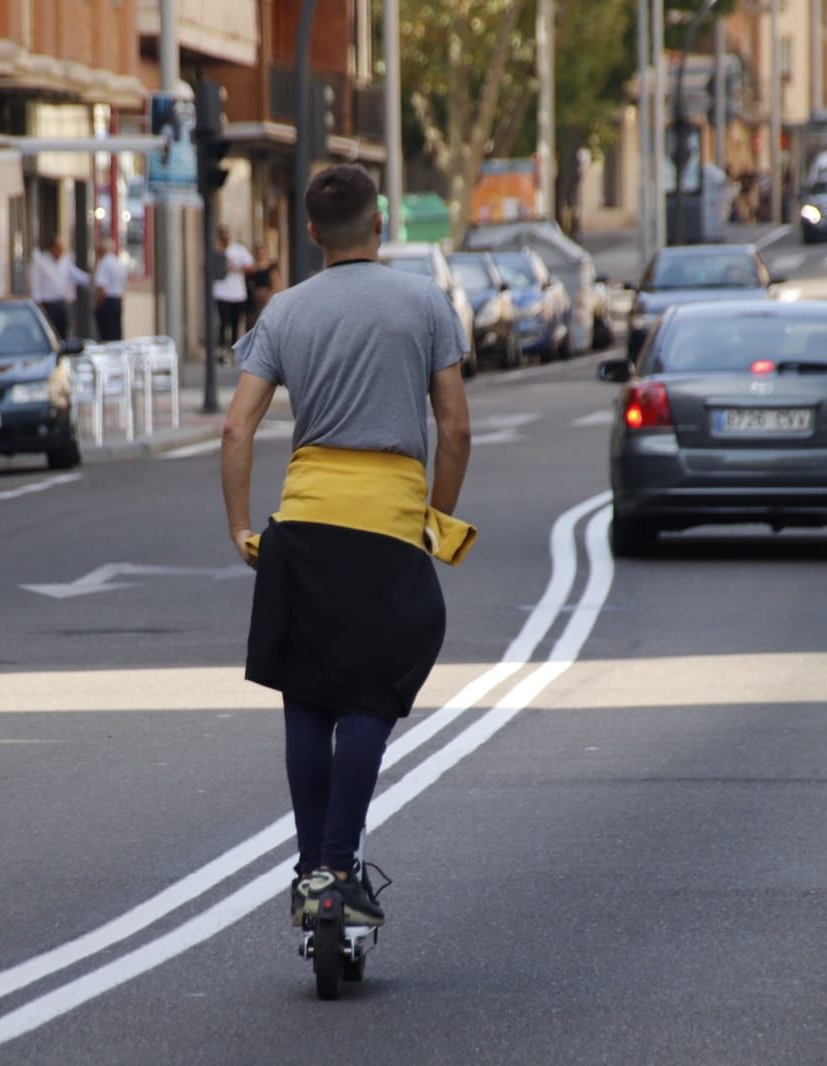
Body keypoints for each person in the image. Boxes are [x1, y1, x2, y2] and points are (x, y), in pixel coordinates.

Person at [220, 164, 474, 929]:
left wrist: (241, 527)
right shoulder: (424, 302)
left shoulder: (284, 310)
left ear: (310, 233)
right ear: (379, 224)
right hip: (387, 526)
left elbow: (236, 428)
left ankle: (311, 875)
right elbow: (455, 428)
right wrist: (435, 520)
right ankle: (337, 867)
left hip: (302, 525)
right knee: (373, 692)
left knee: (306, 697)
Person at [30, 235, 89, 339]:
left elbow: (76, 274)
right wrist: (38, 303)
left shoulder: (64, 261)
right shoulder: (41, 261)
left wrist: (92, 279)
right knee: (50, 332)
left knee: (63, 330)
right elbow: (36, 284)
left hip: (61, 302)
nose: (60, 253)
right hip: (47, 303)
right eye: (58, 249)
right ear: (52, 248)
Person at [214, 225, 254, 358]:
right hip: (221, 293)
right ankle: (222, 349)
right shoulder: (216, 250)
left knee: (236, 323)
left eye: (227, 233)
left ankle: (233, 350)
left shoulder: (239, 250)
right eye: (222, 233)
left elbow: (250, 266)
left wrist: (237, 268)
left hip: (238, 294)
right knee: (223, 322)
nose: (225, 236)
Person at [93, 237, 128, 342]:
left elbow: (101, 287)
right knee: (116, 334)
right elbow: (123, 286)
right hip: (117, 301)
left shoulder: (104, 263)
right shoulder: (118, 263)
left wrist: (98, 304)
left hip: (107, 302)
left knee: (107, 335)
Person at [244, 243, 281, 331]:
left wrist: (270, 297)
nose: (260, 254)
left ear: (266, 253)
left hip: (265, 298)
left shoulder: (271, 267)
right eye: (258, 252)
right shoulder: (250, 268)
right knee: (251, 325)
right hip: (251, 299)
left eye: (262, 252)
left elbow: (276, 285)